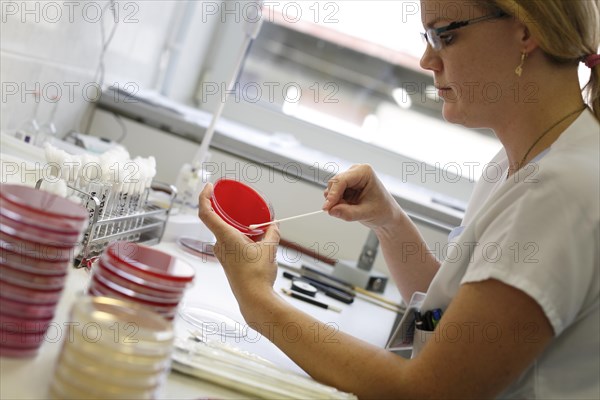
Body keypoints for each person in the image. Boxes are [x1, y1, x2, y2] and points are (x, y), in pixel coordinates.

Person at [199, 0, 600, 397]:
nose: (427, 59)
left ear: (525, 31)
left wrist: (258, 302)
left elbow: (426, 391)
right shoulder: (518, 160)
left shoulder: (561, 190)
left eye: (444, 35)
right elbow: (452, 319)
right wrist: (388, 222)